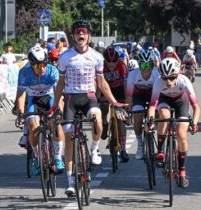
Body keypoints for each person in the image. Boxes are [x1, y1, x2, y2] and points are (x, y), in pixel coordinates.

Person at [50, 20, 128, 196]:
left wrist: (114, 102)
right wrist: (55, 106)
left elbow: (102, 83)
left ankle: (94, 150)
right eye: (78, 32)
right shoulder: (65, 57)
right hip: (71, 98)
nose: (81, 35)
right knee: (69, 138)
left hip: (89, 97)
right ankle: (70, 181)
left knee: (98, 121)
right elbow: (61, 83)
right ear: (74, 36)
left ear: (88, 36)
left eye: (84, 32)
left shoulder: (97, 57)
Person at [147, 58, 200, 188]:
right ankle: (160, 150)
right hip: (164, 100)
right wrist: (151, 120)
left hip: (181, 101)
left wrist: (195, 123)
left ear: (177, 74)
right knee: (164, 116)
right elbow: (153, 106)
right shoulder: (158, 83)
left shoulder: (185, 81)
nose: (168, 81)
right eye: (165, 78)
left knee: (182, 135)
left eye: (172, 77)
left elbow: (196, 107)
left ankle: (182, 170)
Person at [16, 45, 65, 175]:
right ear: (31, 65)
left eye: (43, 64)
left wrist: (58, 110)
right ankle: (37, 158)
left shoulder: (52, 71)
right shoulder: (24, 73)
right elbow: (21, 95)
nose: (41, 68)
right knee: (33, 127)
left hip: (50, 99)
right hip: (34, 100)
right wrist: (21, 113)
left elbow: (59, 94)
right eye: (37, 66)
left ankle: (58, 158)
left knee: (56, 125)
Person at [125, 50, 160, 160]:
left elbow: (160, 93)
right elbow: (129, 95)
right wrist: (128, 109)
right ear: (139, 66)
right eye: (143, 65)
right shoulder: (133, 74)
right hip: (138, 95)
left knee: (159, 114)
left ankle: (160, 143)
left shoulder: (156, 73)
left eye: (149, 65)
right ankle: (140, 145)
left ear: (153, 65)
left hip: (152, 94)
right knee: (137, 116)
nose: (146, 68)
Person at [99, 47, 129, 162]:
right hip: (106, 90)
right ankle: (105, 123)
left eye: (114, 61)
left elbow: (126, 84)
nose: (111, 64)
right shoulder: (101, 66)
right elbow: (98, 84)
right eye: (108, 61)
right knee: (103, 106)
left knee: (120, 120)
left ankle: (123, 149)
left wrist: (126, 100)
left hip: (119, 89)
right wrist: (98, 98)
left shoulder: (121, 65)